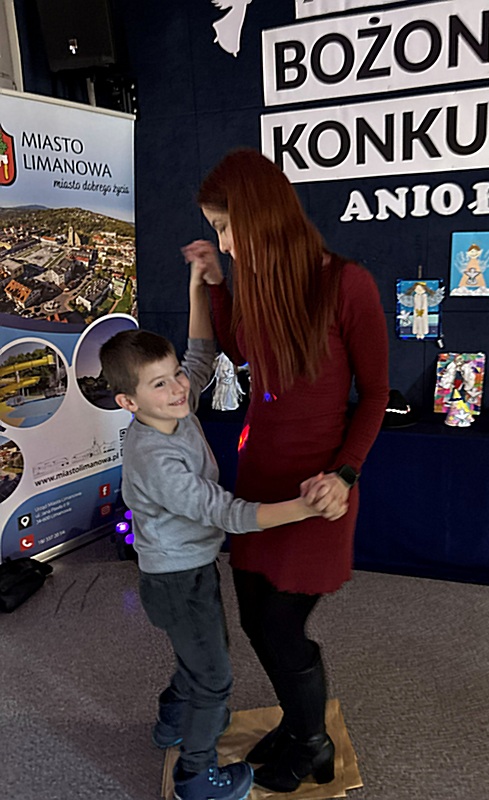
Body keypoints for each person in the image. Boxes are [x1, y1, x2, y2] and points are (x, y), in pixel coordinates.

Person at [182, 148, 389, 793]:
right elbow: (239, 347)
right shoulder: (259, 282)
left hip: (316, 490)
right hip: (260, 482)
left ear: (261, 214)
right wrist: (217, 283)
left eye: (226, 227)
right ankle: (301, 725)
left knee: (280, 624)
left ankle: (311, 742)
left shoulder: (347, 284)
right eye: (217, 229)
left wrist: (345, 475)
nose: (224, 241)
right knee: (254, 616)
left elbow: (376, 394)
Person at [99, 261, 344, 800]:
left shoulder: (172, 409)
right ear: (128, 403)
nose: (178, 387)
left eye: (175, 376)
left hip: (188, 569)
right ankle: (196, 778)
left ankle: (171, 720)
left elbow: (201, 356)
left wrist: (197, 287)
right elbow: (228, 513)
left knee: (198, 657)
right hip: (177, 580)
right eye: (160, 383)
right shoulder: (156, 458)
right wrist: (306, 508)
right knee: (213, 679)